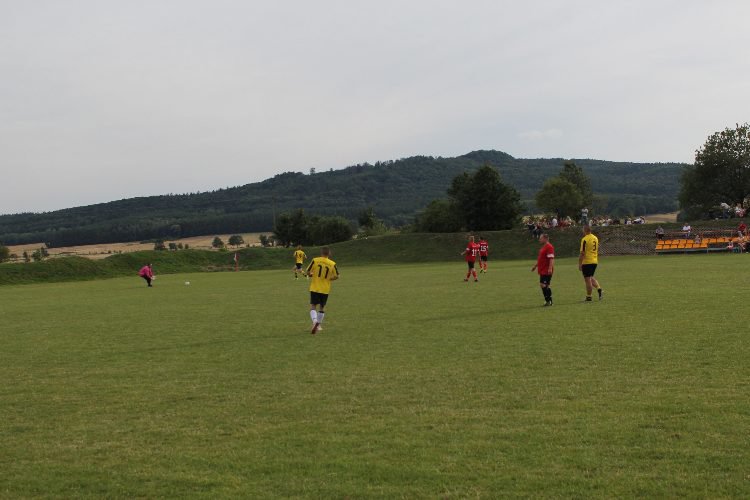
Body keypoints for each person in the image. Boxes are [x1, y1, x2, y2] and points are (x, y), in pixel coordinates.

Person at [304, 246, 339, 334]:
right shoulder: (332, 263)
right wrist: (329, 279)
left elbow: (308, 271)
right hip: (325, 288)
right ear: (329, 254)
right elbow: (337, 276)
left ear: (321, 253)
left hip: (315, 287)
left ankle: (315, 321)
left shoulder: (315, 260)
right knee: (322, 307)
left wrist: (311, 274)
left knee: (313, 306)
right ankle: (318, 325)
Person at [579, 226, 603, 302]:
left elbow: (582, 253)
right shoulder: (595, 238)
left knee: (587, 280)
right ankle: (599, 289)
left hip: (587, 261)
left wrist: (580, 263)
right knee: (590, 277)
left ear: (584, 231)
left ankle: (589, 297)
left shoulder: (585, 239)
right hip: (595, 261)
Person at [531, 233, 555, 307]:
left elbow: (551, 258)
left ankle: (548, 301)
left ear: (545, 239)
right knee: (546, 285)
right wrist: (535, 266)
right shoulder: (544, 247)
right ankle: (549, 301)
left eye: (541, 238)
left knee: (543, 284)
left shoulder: (549, 247)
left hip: (546, 270)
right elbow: (540, 259)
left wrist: (550, 268)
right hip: (542, 269)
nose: (539, 240)